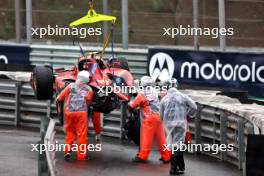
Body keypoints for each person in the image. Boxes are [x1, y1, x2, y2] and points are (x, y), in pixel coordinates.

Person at [128, 76, 171, 163]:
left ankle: (142, 157)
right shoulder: (157, 91)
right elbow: (164, 95)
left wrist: (129, 102)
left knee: (145, 138)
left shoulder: (142, 93)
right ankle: (167, 157)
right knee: (162, 139)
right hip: (159, 118)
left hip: (149, 119)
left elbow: (133, 105)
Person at [160, 83, 197, 175]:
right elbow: (194, 106)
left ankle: (179, 166)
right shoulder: (183, 96)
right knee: (178, 144)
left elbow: (160, 115)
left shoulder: (164, 99)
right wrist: (188, 114)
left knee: (172, 144)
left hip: (168, 125)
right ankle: (173, 168)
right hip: (180, 123)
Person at [56, 70, 93, 161]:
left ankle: (67, 152)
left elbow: (60, 97)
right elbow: (89, 101)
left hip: (69, 112)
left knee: (70, 132)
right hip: (81, 113)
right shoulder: (89, 89)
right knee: (82, 134)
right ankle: (82, 156)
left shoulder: (70, 86)